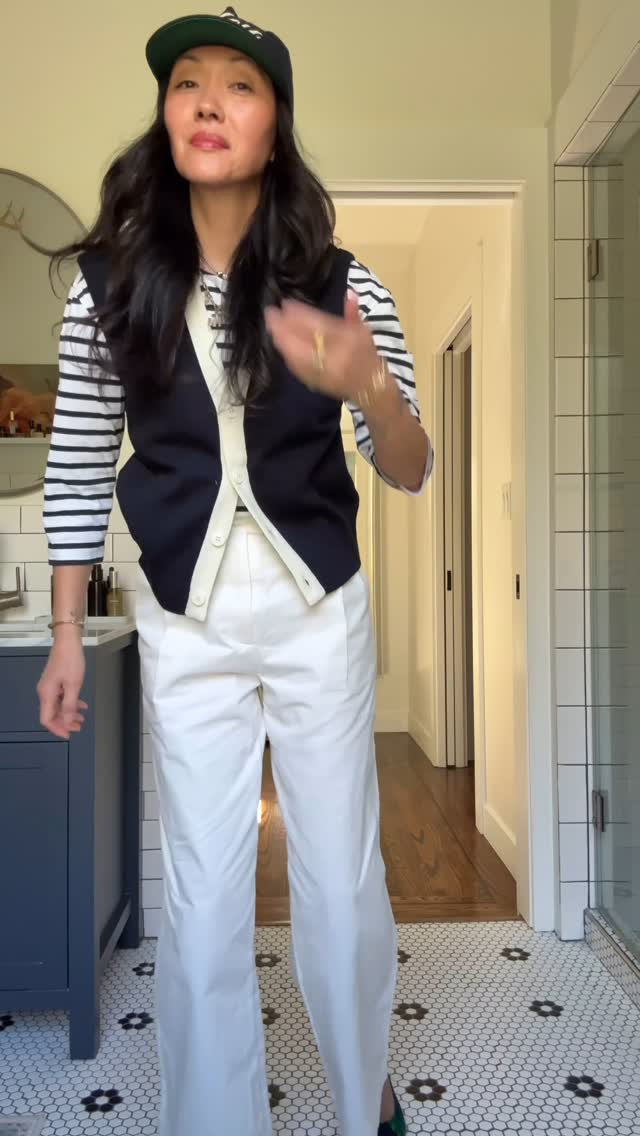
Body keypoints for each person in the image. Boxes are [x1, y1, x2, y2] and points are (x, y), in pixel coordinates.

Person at [37, 7, 433, 1135]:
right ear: (167, 116)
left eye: (240, 84)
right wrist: (66, 637)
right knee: (204, 895)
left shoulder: (341, 283)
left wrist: (370, 386)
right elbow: (78, 461)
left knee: (341, 883)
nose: (208, 100)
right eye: (187, 83)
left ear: (274, 124)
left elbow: (410, 468)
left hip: (319, 611)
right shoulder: (108, 285)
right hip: (185, 618)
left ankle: (363, 1096)